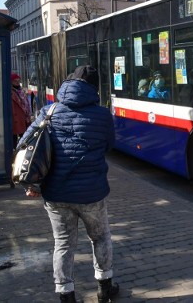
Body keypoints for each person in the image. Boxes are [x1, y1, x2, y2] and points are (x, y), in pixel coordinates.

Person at [21, 65, 118, 303]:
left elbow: (26, 144)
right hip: (92, 192)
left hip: (56, 193)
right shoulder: (103, 114)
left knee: (63, 244)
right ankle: (105, 288)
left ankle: (66, 295)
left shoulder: (49, 111)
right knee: (100, 237)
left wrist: (33, 183)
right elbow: (109, 146)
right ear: (95, 88)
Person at [11, 73, 32, 148]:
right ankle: (15, 151)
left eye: (18, 80)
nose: (17, 82)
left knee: (24, 136)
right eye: (15, 81)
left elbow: (27, 104)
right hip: (15, 118)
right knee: (14, 137)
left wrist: (28, 115)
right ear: (11, 82)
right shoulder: (10, 92)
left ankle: (20, 149)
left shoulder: (21, 91)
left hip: (23, 117)